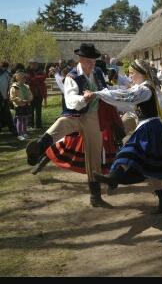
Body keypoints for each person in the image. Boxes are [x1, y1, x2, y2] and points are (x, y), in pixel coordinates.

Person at [25, 43, 112, 208]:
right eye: (88, 60)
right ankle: (39, 147)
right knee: (62, 123)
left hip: (94, 117)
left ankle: (95, 196)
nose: (92, 63)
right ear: (80, 59)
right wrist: (84, 99)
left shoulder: (99, 73)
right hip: (76, 113)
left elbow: (105, 91)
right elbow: (71, 101)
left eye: (93, 60)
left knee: (94, 157)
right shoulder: (72, 77)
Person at [88, 59, 162, 213]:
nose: (130, 76)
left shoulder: (145, 89)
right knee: (149, 165)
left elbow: (127, 95)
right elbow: (126, 98)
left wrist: (98, 93)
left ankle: (114, 177)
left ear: (140, 73)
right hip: (148, 126)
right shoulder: (143, 87)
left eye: (132, 73)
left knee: (129, 152)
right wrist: (104, 92)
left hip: (150, 127)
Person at [10, 70, 33, 140]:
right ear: (18, 78)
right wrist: (21, 100)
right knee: (20, 120)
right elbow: (12, 97)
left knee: (25, 119)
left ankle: (24, 133)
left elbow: (30, 94)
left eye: (25, 78)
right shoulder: (14, 87)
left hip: (26, 105)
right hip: (19, 105)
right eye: (23, 78)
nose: (25, 79)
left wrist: (29, 99)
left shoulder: (26, 86)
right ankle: (19, 134)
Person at [26, 60, 47, 129]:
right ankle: (30, 124)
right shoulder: (27, 71)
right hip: (30, 94)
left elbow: (43, 78)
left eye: (35, 64)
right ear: (30, 65)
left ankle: (38, 125)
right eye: (32, 64)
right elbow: (28, 80)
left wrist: (34, 79)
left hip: (39, 94)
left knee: (38, 111)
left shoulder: (41, 71)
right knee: (30, 111)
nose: (34, 65)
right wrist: (37, 79)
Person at [0, 62, 17, 136]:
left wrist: (8, 94)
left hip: (4, 97)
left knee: (7, 113)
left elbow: (9, 84)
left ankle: (13, 129)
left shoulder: (6, 74)